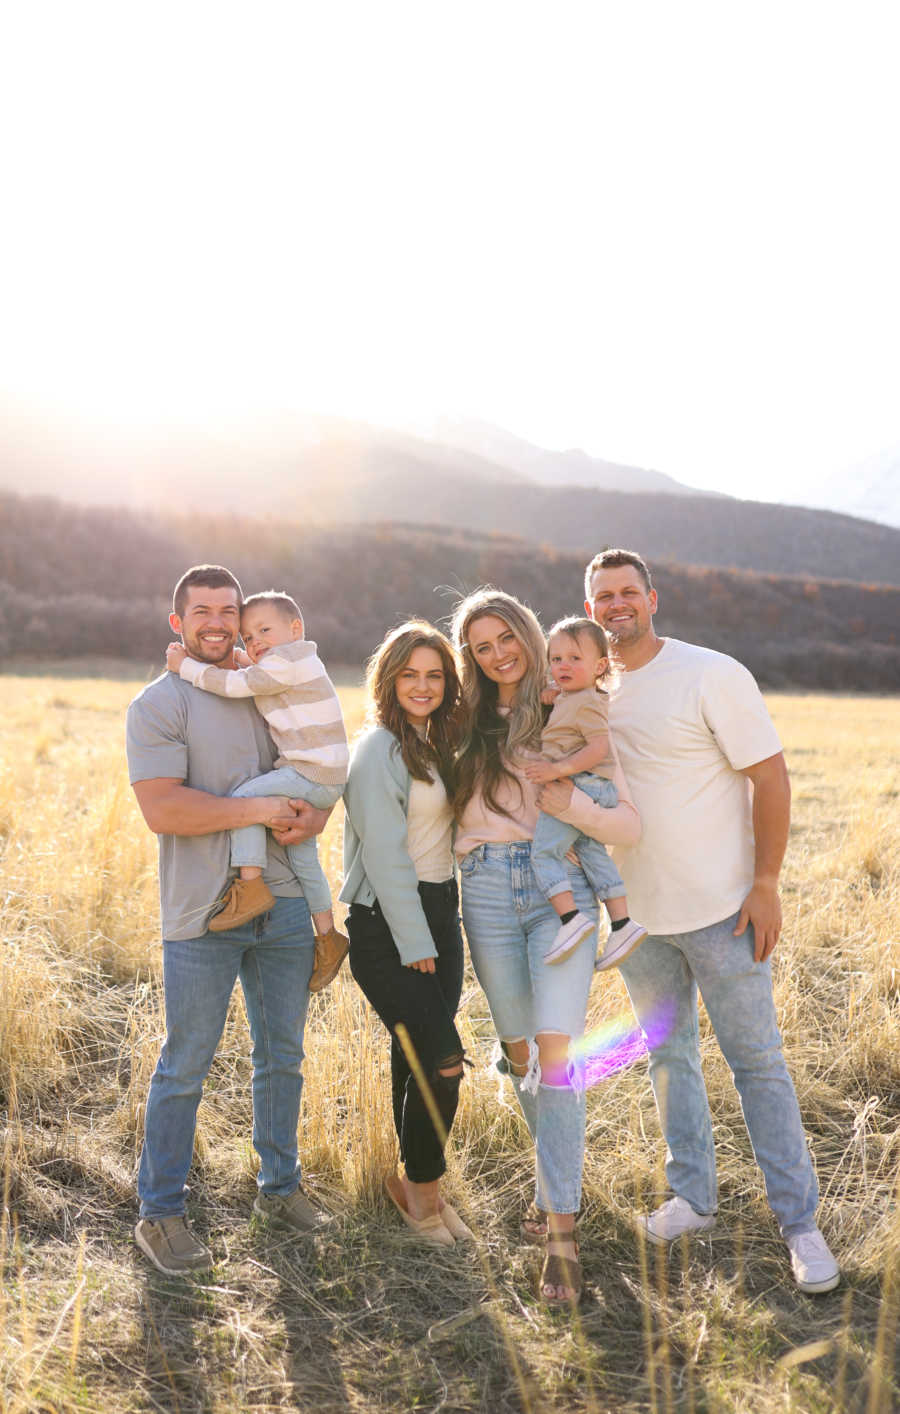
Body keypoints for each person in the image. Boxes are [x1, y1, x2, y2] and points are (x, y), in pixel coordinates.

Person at [583, 547, 840, 1295]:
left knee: (757, 1062)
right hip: (638, 921)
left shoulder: (710, 673)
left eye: (628, 592)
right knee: (669, 1058)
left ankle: (799, 1224)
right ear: (589, 606)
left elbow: (769, 776)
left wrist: (765, 883)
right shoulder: (585, 690)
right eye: (603, 595)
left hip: (723, 911)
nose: (616, 604)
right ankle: (693, 1199)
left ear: (653, 599)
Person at [126, 564, 332, 1277]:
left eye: (229, 610)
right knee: (185, 1065)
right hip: (201, 913)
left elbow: (314, 774)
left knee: (283, 1058)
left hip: (282, 908)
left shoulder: (265, 685)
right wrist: (258, 809)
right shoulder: (159, 703)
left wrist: (313, 813)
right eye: (202, 611)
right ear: (177, 622)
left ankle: (279, 1189)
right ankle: (160, 1212)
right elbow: (165, 809)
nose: (217, 622)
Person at [451, 588, 641, 1306]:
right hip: (488, 892)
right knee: (522, 1055)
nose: (497, 653)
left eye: (507, 638)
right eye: (480, 645)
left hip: (557, 891)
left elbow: (624, 823)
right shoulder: (463, 718)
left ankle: (564, 1234)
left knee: (555, 1058)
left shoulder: (569, 706)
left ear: (531, 638)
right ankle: (551, 1184)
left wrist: (569, 803)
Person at [340, 622, 472, 1246]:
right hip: (391, 926)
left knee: (416, 1052)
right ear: (389, 680)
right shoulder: (377, 749)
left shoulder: (431, 744)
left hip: (442, 912)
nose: (423, 686)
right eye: (410, 675)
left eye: (435, 675)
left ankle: (418, 1187)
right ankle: (422, 1195)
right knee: (445, 1060)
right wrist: (416, 941)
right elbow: (387, 857)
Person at [166, 589, 349, 988]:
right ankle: (328, 936)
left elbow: (235, 685)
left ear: (296, 628)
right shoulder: (295, 661)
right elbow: (253, 670)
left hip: (308, 772)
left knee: (246, 800)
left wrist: (185, 668)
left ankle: (250, 886)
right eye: (248, 637)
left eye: (265, 630)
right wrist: (248, 658)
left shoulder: (287, 660)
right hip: (326, 780)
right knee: (303, 859)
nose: (256, 642)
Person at [524, 615, 647, 968]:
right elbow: (565, 703)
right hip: (590, 786)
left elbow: (597, 748)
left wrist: (556, 769)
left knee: (544, 855)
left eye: (575, 659)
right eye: (556, 659)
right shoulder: (573, 696)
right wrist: (555, 693)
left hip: (579, 785)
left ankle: (570, 919)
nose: (563, 666)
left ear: (600, 666)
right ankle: (622, 924)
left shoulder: (589, 702)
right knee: (593, 855)